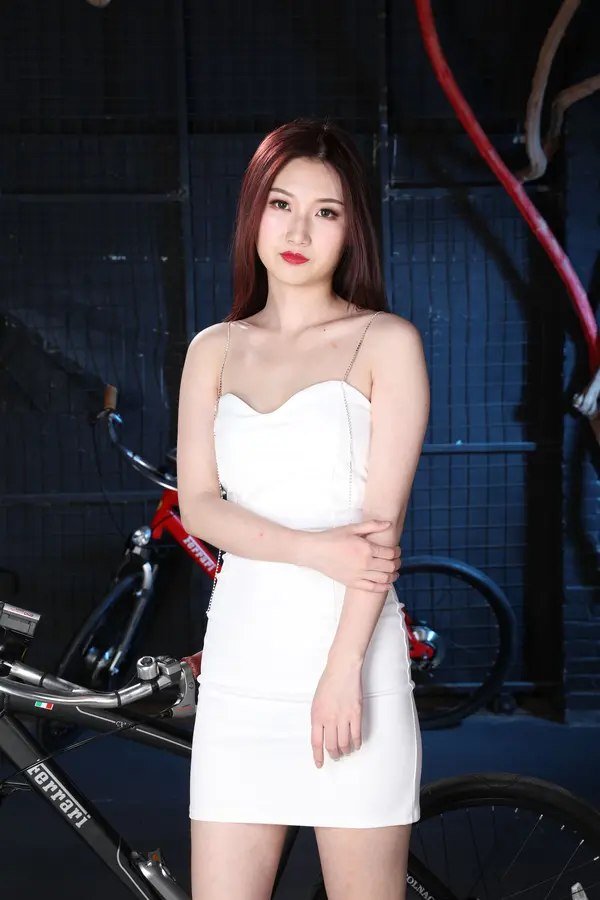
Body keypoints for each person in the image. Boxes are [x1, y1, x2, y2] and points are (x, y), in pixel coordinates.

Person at [177, 119, 430, 900]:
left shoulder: (385, 341)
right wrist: (316, 549)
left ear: (352, 229)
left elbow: (381, 531)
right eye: (281, 204)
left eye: (325, 212)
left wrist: (342, 672)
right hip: (240, 669)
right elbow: (200, 507)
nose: (297, 232)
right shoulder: (212, 348)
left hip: (351, 664)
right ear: (253, 211)